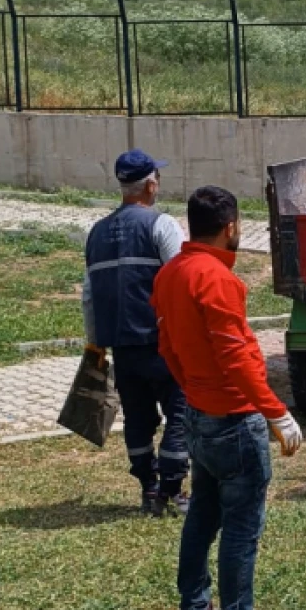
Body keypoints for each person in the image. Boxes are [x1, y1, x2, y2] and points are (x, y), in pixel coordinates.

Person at [151, 185, 304, 610]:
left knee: (203, 513)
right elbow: (235, 358)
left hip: (198, 414)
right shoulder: (216, 279)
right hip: (234, 420)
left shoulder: (171, 273)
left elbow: (168, 347)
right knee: (241, 526)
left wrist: (194, 390)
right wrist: (275, 410)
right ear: (232, 226)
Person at [82, 149, 189, 516]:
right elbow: (181, 281)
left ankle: (149, 488)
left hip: (122, 347)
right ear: (151, 185)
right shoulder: (162, 225)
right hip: (162, 345)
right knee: (180, 414)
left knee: (138, 419)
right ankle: (172, 492)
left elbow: (88, 295)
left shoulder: (96, 233)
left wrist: (96, 344)